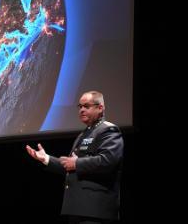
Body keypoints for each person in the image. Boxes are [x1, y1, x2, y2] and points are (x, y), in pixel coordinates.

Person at [26, 91, 124, 224]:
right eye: (80, 106)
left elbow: (108, 161)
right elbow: (70, 165)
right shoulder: (83, 134)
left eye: (86, 106)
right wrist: (46, 159)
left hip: (95, 210)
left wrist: (77, 164)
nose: (82, 110)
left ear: (100, 108)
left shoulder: (108, 130)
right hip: (77, 208)